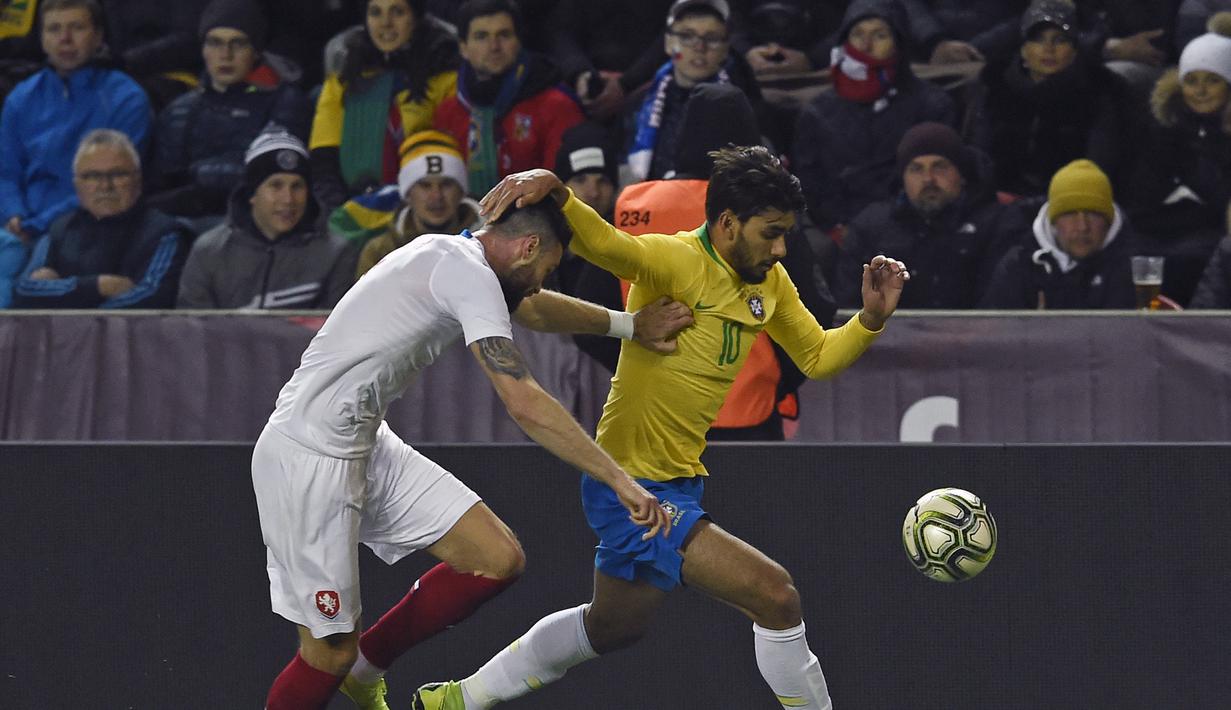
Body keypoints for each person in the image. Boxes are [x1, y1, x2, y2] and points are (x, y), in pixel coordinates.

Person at [413, 147, 910, 709]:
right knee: (776, 595)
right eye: (771, 233)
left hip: (677, 481)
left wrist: (868, 321)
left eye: (785, 234)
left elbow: (817, 357)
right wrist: (557, 191)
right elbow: (603, 244)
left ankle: (453, 701)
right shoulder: (671, 261)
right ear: (727, 223)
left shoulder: (769, 285)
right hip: (629, 485)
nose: (780, 248)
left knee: (611, 628)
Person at [252, 197, 690, 710]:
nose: (538, 284)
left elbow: (534, 306)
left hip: (367, 443)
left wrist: (629, 326)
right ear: (528, 247)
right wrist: (621, 480)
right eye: (544, 270)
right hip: (309, 457)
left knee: (495, 559)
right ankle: (353, 665)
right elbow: (523, 401)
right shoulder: (466, 272)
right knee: (328, 654)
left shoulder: (459, 259)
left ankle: (369, 666)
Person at [791, 0, 956, 237]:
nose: (866, 45)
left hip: (910, 223)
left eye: (879, 35)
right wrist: (836, 225)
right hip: (838, 227)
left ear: (898, 42)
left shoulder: (932, 105)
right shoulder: (817, 111)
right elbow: (810, 180)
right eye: (858, 34)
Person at [0, 0, 151, 248]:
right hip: (16, 228)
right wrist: (14, 215)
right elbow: (6, 172)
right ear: (42, 38)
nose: (65, 39)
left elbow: (110, 185)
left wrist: (35, 225)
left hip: (88, 229)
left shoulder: (126, 98)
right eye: (54, 29)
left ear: (98, 36)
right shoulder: (21, 97)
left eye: (77, 28)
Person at [148, 0, 311, 225]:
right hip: (185, 225)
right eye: (215, 43)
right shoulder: (180, 110)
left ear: (255, 51)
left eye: (238, 43)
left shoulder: (285, 101)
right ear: (203, 49)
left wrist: (197, 184)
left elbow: (272, 174)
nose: (225, 54)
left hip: (256, 224)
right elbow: (162, 185)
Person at [833, 122, 1027, 308]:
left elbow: (1000, 306)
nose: (928, 179)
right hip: (889, 339)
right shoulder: (871, 227)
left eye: (940, 166)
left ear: (961, 174)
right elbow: (849, 305)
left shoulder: (998, 223)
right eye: (916, 169)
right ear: (903, 178)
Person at [964, 0, 1131, 198]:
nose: (1049, 48)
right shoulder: (996, 87)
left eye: (1060, 40)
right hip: (999, 202)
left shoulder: (1098, 92)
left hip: (1069, 205)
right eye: (1038, 39)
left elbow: (1099, 167)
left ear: (1075, 49)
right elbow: (978, 156)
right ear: (1024, 49)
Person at [175, 128, 357, 309]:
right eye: (276, 185)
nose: (288, 199)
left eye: (297, 186)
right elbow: (192, 330)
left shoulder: (336, 253)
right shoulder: (209, 252)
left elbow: (337, 331)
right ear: (252, 193)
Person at [11, 129, 190, 308]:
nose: (105, 186)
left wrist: (60, 296)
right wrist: (99, 286)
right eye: (92, 176)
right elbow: (24, 292)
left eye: (118, 174)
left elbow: (152, 298)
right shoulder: (60, 228)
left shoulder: (165, 233)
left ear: (138, 180)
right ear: (76, 185)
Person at [309, 0, 459, 214]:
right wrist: (340, 207)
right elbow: (324, 149)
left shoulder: (445, 71)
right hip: (356, 204)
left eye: (397, 12)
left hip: (429, 209)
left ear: (416, 17)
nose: (385, 23)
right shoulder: (346, 70)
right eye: (376, 13)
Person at [1122, 13, 1231, 305]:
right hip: (1157, 233)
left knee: (1187, 260)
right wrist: (1194, 202)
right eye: (1192, 80)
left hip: (1206, 241)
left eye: (1212, 80)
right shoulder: (1163, 130)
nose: (1201, 90)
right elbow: (1142, 203)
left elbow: (1221, 206)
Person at [433, 0, 584, 196]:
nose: (494, 46)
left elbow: (563, 190)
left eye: (504, 35)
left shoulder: (557, 106)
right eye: (481, 37)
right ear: (463, 47)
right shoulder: (448, 112)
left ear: (519, 41)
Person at [625, 0, 764, 183]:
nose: (699, 48)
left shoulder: (745, 108)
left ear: (725, 49)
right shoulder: (638, 104)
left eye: (712, 38)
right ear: (668, 43)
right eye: (687, 36)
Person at [980, 158, 1136, 309]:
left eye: (1093, 214)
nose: (1082, 226)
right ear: (1053, 221)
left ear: (1108, 221)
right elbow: (992, 332)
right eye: (1070, 214)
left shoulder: (1136, 269)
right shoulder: (1019, 266)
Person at [354, 130, 481, 277]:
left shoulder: (492, 245)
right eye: (425, 185)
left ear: (461, 192)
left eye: (446, 184)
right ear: (408, 194)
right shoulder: (379, 252)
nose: (436, 196)